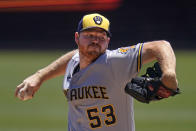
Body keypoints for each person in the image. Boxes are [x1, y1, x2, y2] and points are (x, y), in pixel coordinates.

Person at [15, 13, 178, 131]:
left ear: (108, 41)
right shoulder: (74, 61)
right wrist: (39, 76)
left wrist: (169, 73)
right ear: (77, 38)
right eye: (89, 35)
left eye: (101, 37)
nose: (95, 40)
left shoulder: (115, 62)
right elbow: (73, 56)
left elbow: (161, 45)